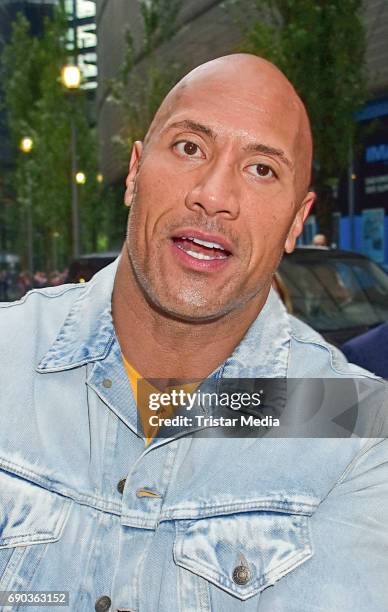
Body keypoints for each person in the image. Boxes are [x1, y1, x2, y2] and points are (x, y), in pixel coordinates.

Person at [0, 54, 387, 612]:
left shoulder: (355, 430)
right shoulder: (10, 354)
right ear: (134, 173)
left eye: (261, 169)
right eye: (189, 147)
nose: (213, 194)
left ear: (297, 222)